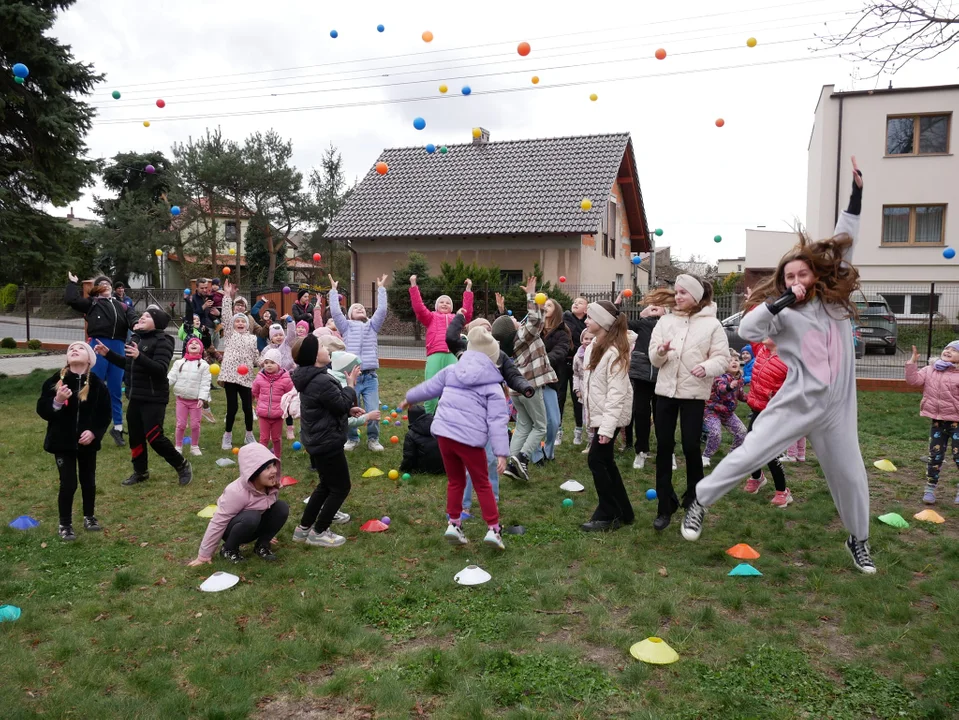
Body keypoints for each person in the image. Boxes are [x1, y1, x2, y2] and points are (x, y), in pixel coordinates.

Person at [682, 157, 877, 574]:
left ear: (816, 274)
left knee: (852, 476)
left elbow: (845, 241)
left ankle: (858, 540)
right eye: (789, 276)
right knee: (750, 450)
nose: (796, 280)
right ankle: (700, 501)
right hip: (796, 402)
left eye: (802, 273)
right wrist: (781, 301)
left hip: (838, 410)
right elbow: (750, 329)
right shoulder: (782, 315)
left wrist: (857, 196)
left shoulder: (834, 301)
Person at [401, 327, 510, 550]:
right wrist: (501, 452)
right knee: (482, 482)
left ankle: (454, 523)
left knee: (455, 480)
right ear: (493, 358)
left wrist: (409, 397)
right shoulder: (493, 386)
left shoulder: (452, 370)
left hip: (444, 434)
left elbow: (429, 387)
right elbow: (498, 421)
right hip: (469, 440)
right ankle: (494, 530)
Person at [646, 274, 730, 531]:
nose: (678, 296)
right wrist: (660, 352)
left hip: (693, 395)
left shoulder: (712, 325)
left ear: (696, 296)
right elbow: (653, 358)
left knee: (692, 447)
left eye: (683, 292)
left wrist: (707, 367)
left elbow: (723, 359)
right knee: (664, 447)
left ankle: (695, 500)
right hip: (665, 394)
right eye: (676, 291)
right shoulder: (665, 321)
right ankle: (665, 505)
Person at [445, 312, 534, 516]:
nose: (487, 329)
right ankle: (464, 505)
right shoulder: (463, 351)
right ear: (471, 334)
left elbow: (512, 375)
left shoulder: (499, 355)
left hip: (492, 416)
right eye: (481, 327)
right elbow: (450, 337)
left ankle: (492, 499)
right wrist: (459, 317)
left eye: (489, 327)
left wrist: (524, 387)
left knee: (492, 459)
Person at [94, 305, 193, 487]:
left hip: (154, 397)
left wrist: (140, 356)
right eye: (141, 315)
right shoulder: (136, 338)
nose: (140, 318)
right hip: (136, 396)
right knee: (135, 436)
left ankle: (181, 465)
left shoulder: (164, 340)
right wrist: (108, 354)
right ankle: (140, 472)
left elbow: (160, 369)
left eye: (146, 316)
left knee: (155, 437)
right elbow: (129, 365)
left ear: (156, 323)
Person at [37, 342, 112, 541]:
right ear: (67, 359)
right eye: (71, 349)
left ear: (89, 360)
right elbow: (43, 410)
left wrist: (94, 433)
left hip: (87, 444)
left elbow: (105, 415)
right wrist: (57, 401)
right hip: (62, 443)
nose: (74, 350)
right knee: (68, 483)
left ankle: (89, 516)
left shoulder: (97, 385)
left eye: (80, 349)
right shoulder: (55, 382)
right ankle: (65, 524)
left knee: (88, 480)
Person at [290, 334, 360, 548]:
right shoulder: (320, 380)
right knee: (340, 487)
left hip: (317, 440)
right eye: (321, 346)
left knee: (325, 485)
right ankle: (319, 531)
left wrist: (348, 409)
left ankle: (303, 529)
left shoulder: (312, 377)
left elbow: (330, 405)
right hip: (327, 441)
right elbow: (337, 404)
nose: (326, 349)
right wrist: (350, 386)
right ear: (313, 356)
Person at [492, 277, 556, 481]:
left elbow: (518, 323)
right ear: (512, 329)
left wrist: (503, 312)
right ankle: (523, 457)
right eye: (513, 321)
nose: (516, 319)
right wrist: (531, 295)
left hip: (515, 391)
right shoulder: (523, 336)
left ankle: (511, 464)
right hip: (530, 388)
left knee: (523, 426)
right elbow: (535, 319)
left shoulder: (510, 342)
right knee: (540, 426)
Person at [65, 272, 139, 447]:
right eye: (102, 284)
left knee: (115, 390)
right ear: (97, 289)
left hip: (118, 348)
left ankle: (118, 428)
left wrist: (138, 327)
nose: (106, 286)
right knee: (91, 388)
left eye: (109, 284)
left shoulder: (123, 306)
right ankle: (85, 427)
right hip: (98, 346)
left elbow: (134, 321)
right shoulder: (92, 304)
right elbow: (71, 300)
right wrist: (72, 283)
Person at [580, 301, 634, 531]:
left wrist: (606, 428)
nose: (585, 321)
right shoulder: (594, 346)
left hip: (608, 418)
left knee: (596, 460)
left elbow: (616, 394)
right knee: (606, 462)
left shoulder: (614, 353)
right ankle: (624, 511)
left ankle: (608, 513)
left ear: (602, 322)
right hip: (600, 416)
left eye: (590, 317)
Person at [188, 443, 290, 565]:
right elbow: (218, 522)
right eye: (267, 468)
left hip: (253, 525)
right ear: (254, 472)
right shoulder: (236, 492)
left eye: (274, 465)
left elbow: (269, 509)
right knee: (252, 517)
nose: (274, 470)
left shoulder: (271, 486)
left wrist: (267, 534)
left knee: (281, 507)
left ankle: (262, 546)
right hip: (233, 528)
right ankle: (229, 549)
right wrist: (203, 555)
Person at [329, 274, 389, 452]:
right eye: (356, 307)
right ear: (349, 314)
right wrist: (333, 291)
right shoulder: (345, 326)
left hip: (370, 377)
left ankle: (373, 439)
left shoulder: (372, 326)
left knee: (372, 409)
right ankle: (352, 438)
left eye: (362, 307)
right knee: (350, 408)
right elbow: (335, 312)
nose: (360, 308)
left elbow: (382, 311)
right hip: (352, 377)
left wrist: (381, 289)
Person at [736, 337, 793, 506]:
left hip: (775, 412)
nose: (764, 333)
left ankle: (783, 492)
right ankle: (757, 477)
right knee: (750, 445)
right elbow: (750, 322)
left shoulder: (789, 357)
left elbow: (795, 385)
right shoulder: (761, 349)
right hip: (757, 407)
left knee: (768, 452)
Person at [409, 275, 474, 414]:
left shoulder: (456, 318)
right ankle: (428, 420)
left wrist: (468, 290)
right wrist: (414, 286)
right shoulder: (431, 317)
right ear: (436, 306)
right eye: (441, 302)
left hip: (453, 355)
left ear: (452, 308)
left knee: (454, 391)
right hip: (435, 354)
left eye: (448, 303)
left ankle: (450, 420)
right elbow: (419, 308)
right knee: (431, 390)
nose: (445, 304)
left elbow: (466, 313)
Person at [615, 294, 665, 470]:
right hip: (641, 374)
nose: (655, 307)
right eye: (653, 304)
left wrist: (668, 315)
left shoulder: (671, 324)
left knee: (663, 416)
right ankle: (641, 452)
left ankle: (668, 452)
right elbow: (618, 323)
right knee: (641, 414)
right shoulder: (642, 323)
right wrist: (640, 314)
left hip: (663, 375)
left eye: (660, 304)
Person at [906, 341, 959, 505]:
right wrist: (912, 363)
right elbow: (913, 381)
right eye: (946, 348)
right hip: (938, 422)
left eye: (954, 350)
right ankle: (930, 489)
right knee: (935, 456)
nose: (948, 351)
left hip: (957, 422)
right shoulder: (930, 369)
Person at [219, 280, 260, 449]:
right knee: (232, 407)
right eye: (237, 321)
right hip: (230, 375)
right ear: (233, 324)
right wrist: (228, 296)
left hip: (246, 376)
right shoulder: (229, 334)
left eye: (243, 322)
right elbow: (226, 316)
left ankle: (249, 435)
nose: (240, 323)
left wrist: (263, 362)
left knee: (247, 407)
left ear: (247, 324)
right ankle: (227, 435)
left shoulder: (252, 338)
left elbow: (255, 357)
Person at [532, 299, 571, 464]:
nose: (545, 307)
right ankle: (535, 455)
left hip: (550, 381)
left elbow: (561, 352)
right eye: (543, 304)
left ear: (556, 311)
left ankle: (548, 451)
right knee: (533, 421)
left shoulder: (562, 333)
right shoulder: (533, 329)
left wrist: (542, 361)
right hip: (531, 381)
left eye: (549, 305)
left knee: (554, 421)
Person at [702, 350, 747, 469]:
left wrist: (753, 398)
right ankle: (706, 456)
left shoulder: (739, 379)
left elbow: (742, 395)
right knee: (715, 433)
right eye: (730, 360)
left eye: (736, 360)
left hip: (727, 413)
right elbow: (721, 388)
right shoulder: (719, 377)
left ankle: (731, 457)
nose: (734, 362)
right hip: (712, 411)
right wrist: (729, 386)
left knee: (742, 432)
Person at [167, 336, 211, 456]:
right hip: (181, 400)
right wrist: (163, 386)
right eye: (192, 343)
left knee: (195, 424)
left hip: (196, 401)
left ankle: (194, 446)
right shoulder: (179, 363)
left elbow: (205, 383)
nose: (194, 344)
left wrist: (202, 398)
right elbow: (171, 377)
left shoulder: (204, 365)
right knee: (180, 424)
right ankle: (178, 446)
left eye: (197, 343)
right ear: (187, 347)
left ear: (201, 349)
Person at [252, 348, 295, 459]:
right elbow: (255, 391)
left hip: (277, 415)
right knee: (264, 438)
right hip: (263, 414)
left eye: (272, 362)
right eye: (266, 363)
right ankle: (262, 459)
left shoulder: (285, 379)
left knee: (276, 438)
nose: (269, 365)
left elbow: (290, 393)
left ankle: (277, 457)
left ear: (279, 364)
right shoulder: (260, 378)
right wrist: (259, 400)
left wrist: (285, 405)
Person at [557, 296, 588, 446]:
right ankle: (558, 430)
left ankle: (579, 430)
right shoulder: (565, 318)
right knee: (560, 396)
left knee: (579, 397)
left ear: (586, 309)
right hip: (563, 362)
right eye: (575, 302)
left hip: (580, 363)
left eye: (580, 302)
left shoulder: (589, 322)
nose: (576, 303)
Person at [400, 405, 446, 475]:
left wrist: (403, 469)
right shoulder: (437, 425)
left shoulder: (411, 434)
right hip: (443, 467)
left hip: (424, 469)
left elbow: (409, 456)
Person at [573, 329, 595, 452]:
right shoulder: (578, 356)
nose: (588, 341)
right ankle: (590, 442)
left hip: (595, 392)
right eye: (586, 339)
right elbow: (575, 374)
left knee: (596, 418)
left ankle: (599, 442)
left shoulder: (598, 354)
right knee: (587, 419)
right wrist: (577, 389)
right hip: (583, 391)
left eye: (592, 339)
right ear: (582, 340)